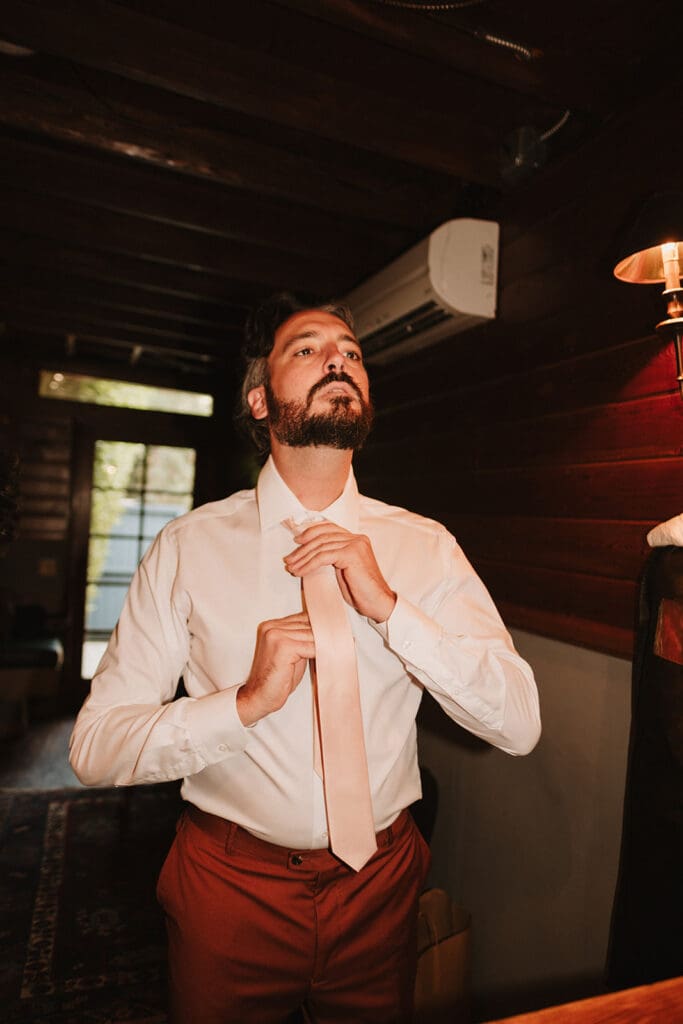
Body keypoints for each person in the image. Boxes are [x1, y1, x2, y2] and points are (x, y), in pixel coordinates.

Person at [69, 292, 541, 1024]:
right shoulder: (186, 548)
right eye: (308, 349)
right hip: (229, 889)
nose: (339, 359)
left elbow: (518, 724)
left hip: (380, 888)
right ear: (260, 401)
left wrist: (391, 612)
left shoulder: (425, 547)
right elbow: (94, 748)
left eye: (351, 352)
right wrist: (244, 704)